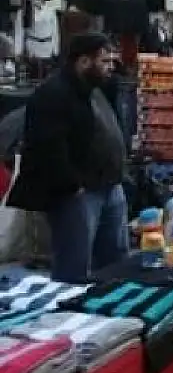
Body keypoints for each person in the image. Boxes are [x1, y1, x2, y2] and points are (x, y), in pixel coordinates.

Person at [8, 33, 128, 283]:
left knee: (115, 261)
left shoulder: (96, 88)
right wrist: (73, 185)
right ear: (84, 62)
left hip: (109, 185)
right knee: (74, 265)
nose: (110, 68)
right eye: (104, 62)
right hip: (78, 193)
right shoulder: (54, 94)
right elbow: (47, 147)